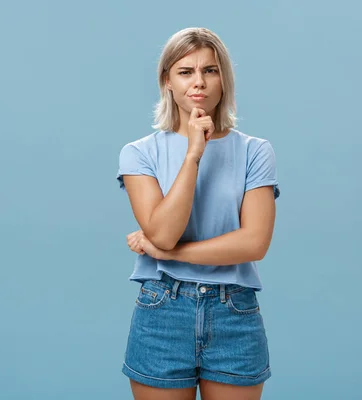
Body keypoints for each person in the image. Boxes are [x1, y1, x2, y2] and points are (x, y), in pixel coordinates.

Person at [116, 27, 280, 400]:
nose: (198, 83)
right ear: (167, 82)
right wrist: (193, 153)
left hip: (233, 311)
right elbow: (163, 233)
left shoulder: (255, 151)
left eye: (210, 70)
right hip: (163, 311)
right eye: (185, 71)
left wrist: (166, 255)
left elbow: (253, 242)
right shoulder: (138, 153)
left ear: (224, 79)